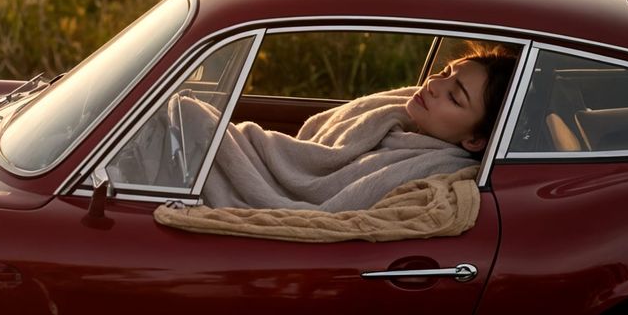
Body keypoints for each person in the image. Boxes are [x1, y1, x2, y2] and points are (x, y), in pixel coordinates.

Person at [195, 46, 519, 212]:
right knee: (189, 120)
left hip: (276, 198)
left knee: (192, 123)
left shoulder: (433, 170)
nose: (434, 83)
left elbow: (322, 200)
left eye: (454, 96)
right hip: (266, 166)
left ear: (474, 139)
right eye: (446, 72)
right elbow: (311, 153)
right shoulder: (401, 116)